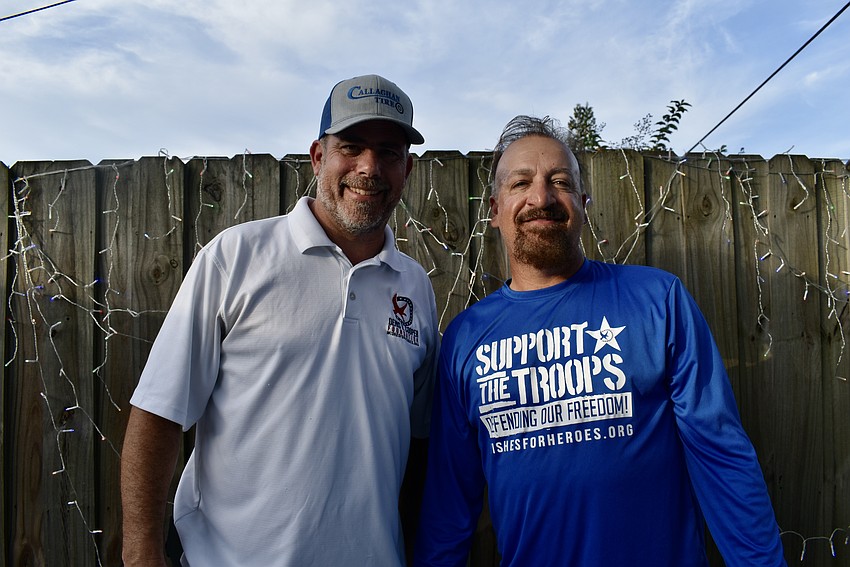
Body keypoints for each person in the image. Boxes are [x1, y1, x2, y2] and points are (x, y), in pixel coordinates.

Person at [413, 115, 786, 566]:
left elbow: (722, 458)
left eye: (560, 181)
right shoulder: (464, 339)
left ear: (583, 204)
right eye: (521, 183)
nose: (541, 197)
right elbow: (448, 508)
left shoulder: (658, 301)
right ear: (494, 211)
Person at [120, 74, 439, 567]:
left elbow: (420, 445)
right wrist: (141, 555)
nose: (369, 168)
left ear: (408, 169)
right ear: (318, 156)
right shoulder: (235, 257)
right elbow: (159, 414)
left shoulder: (415, 287)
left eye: (389, 151)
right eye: (351, 147)